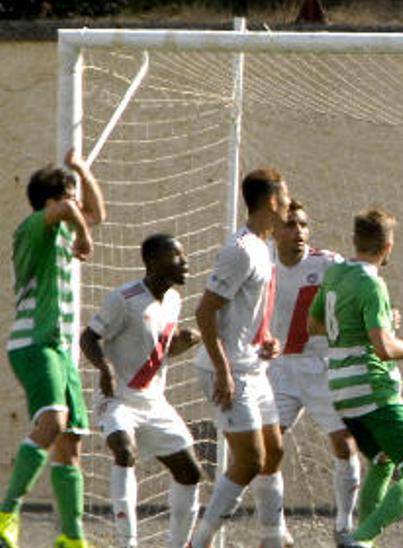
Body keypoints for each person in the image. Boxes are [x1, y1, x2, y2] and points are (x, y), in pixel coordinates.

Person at [308, 208, 403, 548]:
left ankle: (364, 543)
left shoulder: (335, 274)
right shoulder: (372, 283)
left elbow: (315, 326)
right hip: (373, 393)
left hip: (341, 392)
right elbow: (384, 350)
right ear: (389, 246)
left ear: (353, 241)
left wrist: (380, 324)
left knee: (382, 462)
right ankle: (361, 538)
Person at [1, 149, 104, 548]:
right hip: (33, 344)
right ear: (51, 202)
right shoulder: (32, 228)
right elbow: (71, 212)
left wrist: (80, 170)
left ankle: (71, 536)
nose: (79, 204)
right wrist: (82, 230)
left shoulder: (63, 230)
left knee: (71, 439)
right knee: (54, 421)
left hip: (60, 349)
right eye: (70, 196)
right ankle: (7, 512)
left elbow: (97, 212)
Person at [190, 168, 292, 548]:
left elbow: (246, 314)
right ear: (271, 201)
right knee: (249, 460)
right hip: (227, 369)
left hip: (252, 365)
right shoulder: (241, 250)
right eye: (285, 196)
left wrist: (266, 340)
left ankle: (271, 538)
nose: (288, 203)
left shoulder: (264, 249)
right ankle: (198, 541)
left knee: (274, 451)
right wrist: (223, 370)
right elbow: (205, 312)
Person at [80, 234, 203, 548]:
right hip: (118, 400)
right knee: (124, 450)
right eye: (176, 256)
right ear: (152, 262)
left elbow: (156, 351)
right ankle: (127, 543)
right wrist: (105, 368)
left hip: (154, 402)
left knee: (190, 472)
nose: (184, 262)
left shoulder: (174, 300)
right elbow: (88, 338)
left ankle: (178, 544)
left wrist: (180, 344)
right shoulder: (124, 297)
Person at [267, 200, 361, 541]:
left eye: (304, 225)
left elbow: (360, 289)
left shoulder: (328, 264)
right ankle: (276, 529)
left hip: (321, 366)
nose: (299, 232)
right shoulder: (261, 263)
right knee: (269, 447)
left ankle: (343, 528)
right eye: (291, 225)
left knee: (344, 443)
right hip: (278, 368)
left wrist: (385, 314)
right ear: (275, 231)